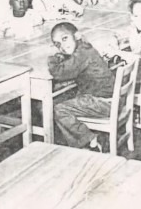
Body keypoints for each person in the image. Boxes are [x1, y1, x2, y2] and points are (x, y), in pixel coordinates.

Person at [49, 22, 115, 152]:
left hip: (103, 103)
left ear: (77, 36)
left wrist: (52, 59)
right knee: (63, 101)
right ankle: (84, 142)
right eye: (57, 44)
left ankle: (90, 142)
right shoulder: (85, 48)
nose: (62, 46)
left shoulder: (81, 54)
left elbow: (59, 72)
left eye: (64, 39)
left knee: (60, 110)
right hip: (109, 99)